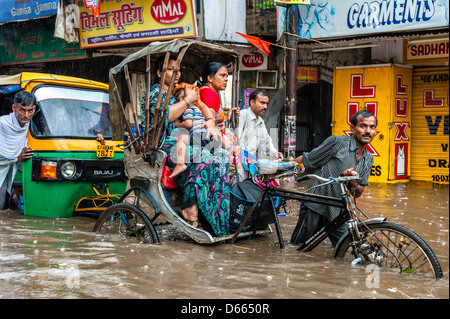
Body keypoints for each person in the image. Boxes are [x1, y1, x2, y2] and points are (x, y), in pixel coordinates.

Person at [140, 55, 230, 236]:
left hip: (187, 141)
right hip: (162, 144)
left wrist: (211, 123)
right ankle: (190, 208)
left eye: (178, 69)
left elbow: (204, 109)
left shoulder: (181, 91)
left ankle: (217, 216)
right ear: (159, 73)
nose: (177, 73)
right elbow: (164, 117)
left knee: (222, 156)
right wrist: (187, 101)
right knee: (201, 155)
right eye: (171, 69)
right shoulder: (155, 94)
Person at [290, 110, 377, 246]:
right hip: (315, 204)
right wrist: (280, 170)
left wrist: (351, 180)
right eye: (363, 126)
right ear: (352, 128)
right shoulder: (337, 143)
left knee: (348, 247)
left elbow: (359, 192)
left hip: (337, 210)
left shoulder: (368, 159)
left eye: (372, 127)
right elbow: (308, 159)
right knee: (297, 247)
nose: (368, 131)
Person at [170, 83, 232, 179]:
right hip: (210, 136)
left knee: (180, 139)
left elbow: (188, 124)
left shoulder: (188, 109)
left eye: (183, 98)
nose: (182, 101)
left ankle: (180, 163)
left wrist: (177, 124)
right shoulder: (199, 109)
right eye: (180, 100)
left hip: (199, 135)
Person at [0, 91, 36, 210]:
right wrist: (17, 158)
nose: (26, 115)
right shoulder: (2, 124)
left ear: (34, 109)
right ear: (14, 108)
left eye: (30, 110)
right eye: (22, 110)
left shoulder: (33, 127)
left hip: (12, 169)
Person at [199, 62, 240, 155]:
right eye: (222, 76)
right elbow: (211, 126)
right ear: (210, 78)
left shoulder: (204, 91)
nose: (226, 79)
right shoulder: (209, 93)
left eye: (226, 76)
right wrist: (230, 148)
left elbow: (212, 118)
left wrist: (227, 116)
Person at [237, 88, 282, 160]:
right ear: (252, 102)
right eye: (262, 103)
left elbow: (266, 140)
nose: (265, 107)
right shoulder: (242, 115)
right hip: (238, 162)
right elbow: (235, 140)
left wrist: (274, 153)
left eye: (266, 103)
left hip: (249, 162)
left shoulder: (260, 122)